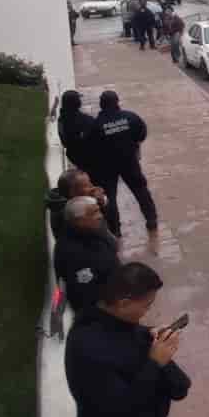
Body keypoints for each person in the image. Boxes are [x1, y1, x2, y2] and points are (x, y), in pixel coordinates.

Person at [65, 263, 190, 417]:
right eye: (145, 305)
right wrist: (155, 363)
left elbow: (180, 387)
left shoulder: (125, 328)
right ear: (123, 303)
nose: (147, 313)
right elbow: (119, 411)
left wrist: (152, 342)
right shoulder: (88, 350)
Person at [84, 90, 159, 235]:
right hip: (129, 162)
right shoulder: (130, 117)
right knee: (141, 190)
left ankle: (115, 230)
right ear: (117, 102)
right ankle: (151, 220)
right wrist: (133, 145)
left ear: (101, 104)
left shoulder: (96, 125)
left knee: (110, 198)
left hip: (106, 166)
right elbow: (142, 133)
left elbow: (90, 146)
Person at [54, 197, 121, 314]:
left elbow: (114, 247)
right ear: (79, 220)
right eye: (94, 213)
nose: (100, 216)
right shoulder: (72, 253)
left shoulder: (93, 230)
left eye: (98, 210)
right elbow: (87, 296)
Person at [47, 167, 110, 243]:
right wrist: (98, 203)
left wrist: (101, 201)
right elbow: (98, 230)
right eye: (87, 185)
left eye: (90, 182)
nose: (92, 187)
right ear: (72, 192)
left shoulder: (74, 200)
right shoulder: (72, 212)